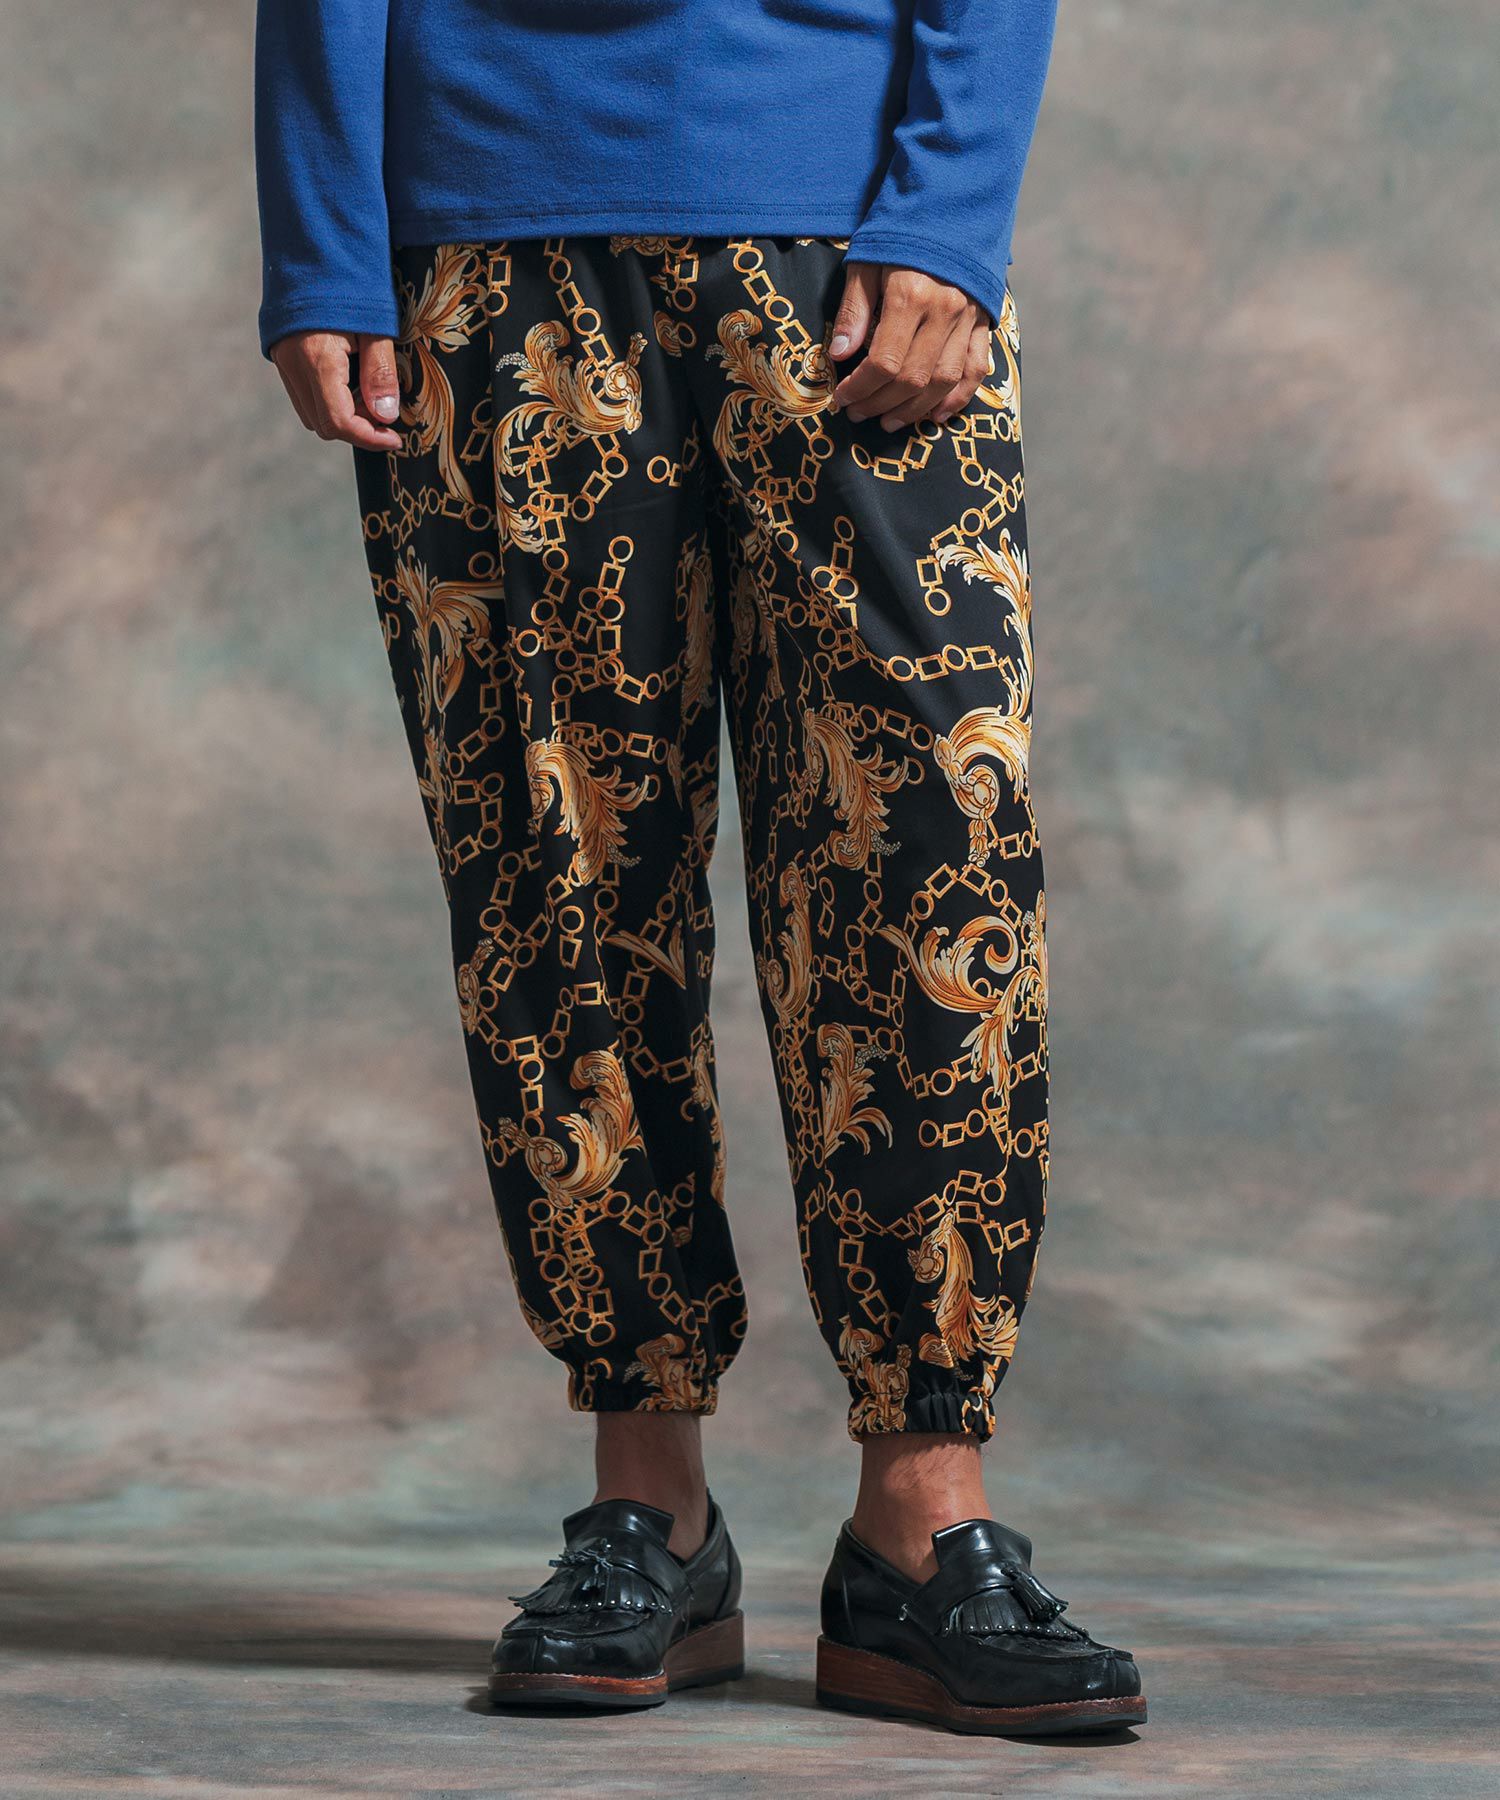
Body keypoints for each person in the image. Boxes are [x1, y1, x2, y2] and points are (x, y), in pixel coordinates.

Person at [254, 0, 1146, 1738]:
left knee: (924, 868)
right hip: (491, 229)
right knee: (556, 873)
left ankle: (920, 1521)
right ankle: (648, 1515)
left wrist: (951, 209)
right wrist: (324, 238)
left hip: (853, 233)